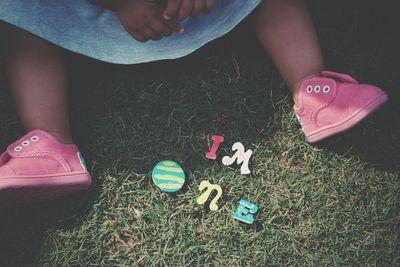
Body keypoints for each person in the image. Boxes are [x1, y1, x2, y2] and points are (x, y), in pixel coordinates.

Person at [0, 0, 388, 207]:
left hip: (206, 7)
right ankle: (49, 144)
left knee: (21, 22)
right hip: (100, 18)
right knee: (21, 19)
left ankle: (313, 90)